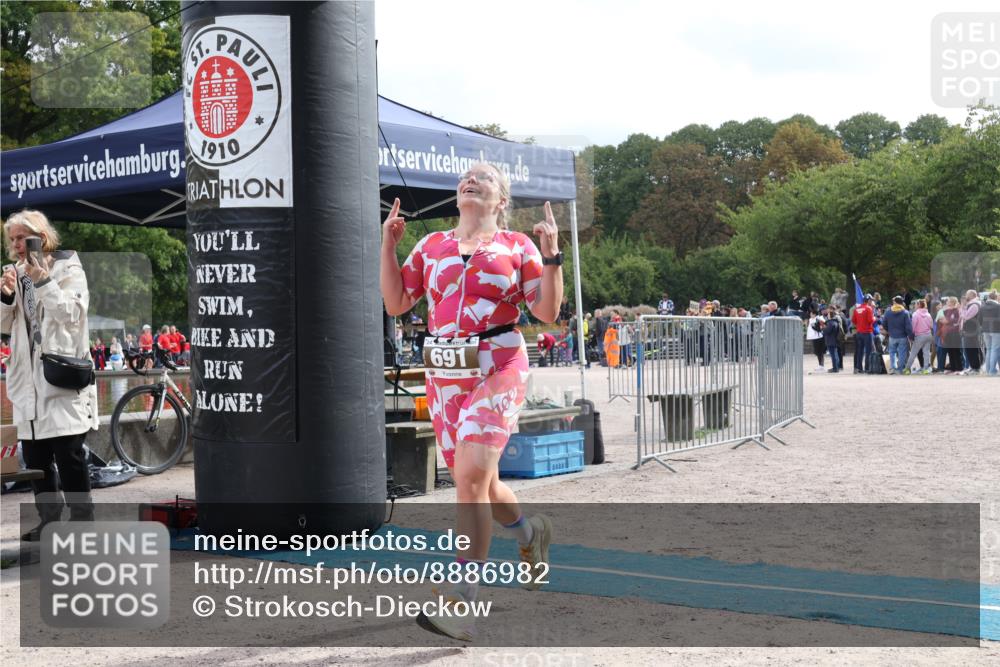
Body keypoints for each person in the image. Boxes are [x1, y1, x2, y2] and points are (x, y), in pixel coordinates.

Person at [380, 163, 561, 641]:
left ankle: (463, 600)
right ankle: (530, 533)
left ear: (500, 200)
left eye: (482, 179)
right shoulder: (431, 245)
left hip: (499, 365)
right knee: (480, 482)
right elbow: (397, 302)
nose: (469, 180)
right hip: (445, 378)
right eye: (465, 178)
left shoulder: (516, 246)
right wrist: (389, 246)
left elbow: (545, 311)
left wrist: (552, 257)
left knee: (470, 479)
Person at [1, 209, 98, 540]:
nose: (16, 244)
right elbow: (3, 325)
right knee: (35, 459)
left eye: (21, 237)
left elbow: (71, 314)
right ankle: (49, 521)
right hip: (27, 382)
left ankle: (83, 522)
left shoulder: (68, 267)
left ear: (40, 237)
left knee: (69, 455)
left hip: (59, 375)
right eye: (12, 238)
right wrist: (5, 296)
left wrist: (42, 278)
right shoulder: (14, 273)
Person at [882, 295, 913, 374]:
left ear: (894, 302)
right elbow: (908, 327)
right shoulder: (905, 312)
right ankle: (900, 369)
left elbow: (884, 323)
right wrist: (911, 336)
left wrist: (889, 331)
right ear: (902, 303)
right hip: (902, 336)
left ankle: (893, 368)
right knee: (902, 353)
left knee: (892, 352)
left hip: (892, 336)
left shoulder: (888, 311)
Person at [903, 299, 934, 374]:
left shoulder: (915, 314)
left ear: (918, 305)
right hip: (928, 335)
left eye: (916, 304)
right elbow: (931, 326)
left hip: (919, 336)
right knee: (926, 353)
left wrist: (911, 336)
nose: (915, 306)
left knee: (913, 353)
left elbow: (913, 327)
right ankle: (926, 369)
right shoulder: (928, 314)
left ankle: (907, 369)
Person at [959, 289, 984, 375]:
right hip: (969, 330)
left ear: (972, 295)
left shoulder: (974, 305)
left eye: (967, 294)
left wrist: (962, 306)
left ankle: (975, 368)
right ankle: (973, 367)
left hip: (971, 330)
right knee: (969, 349)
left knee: (971, 349)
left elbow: (966, 316)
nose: (966, 296)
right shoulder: (970, 304)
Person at [851, 295, 875, 374]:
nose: (871, 302)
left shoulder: (857, 309)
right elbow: (870, 320)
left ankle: (859, 368)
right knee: (868, 351)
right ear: (868, 301)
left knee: (860, 351)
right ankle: (867, 368)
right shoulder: (868, 308)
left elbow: (853, 320)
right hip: (867, 332)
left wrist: (860, 324)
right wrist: (874, 319)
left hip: (859, 332)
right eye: (870, 300)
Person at [980, 290, 1000, 375]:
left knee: (989, 350)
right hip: (996, 330)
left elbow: (979, 319)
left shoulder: (982, 306)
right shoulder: (998, 306)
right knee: (995, 350)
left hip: (985, 330)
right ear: (996, 297)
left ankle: (988, 370)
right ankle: (992, 371)